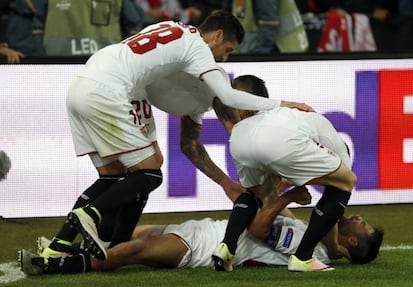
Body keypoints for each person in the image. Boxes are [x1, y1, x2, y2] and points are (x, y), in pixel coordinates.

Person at [44, 11, 313, 263]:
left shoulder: (176, 35)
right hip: (113, 89)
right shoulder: (203, 57)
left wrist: (225, 184)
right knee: (150, 174)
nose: (224, 59)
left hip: (88, 82)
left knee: (117, 176)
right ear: (217, 35)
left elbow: (189, 145)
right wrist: (283, 104)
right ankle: (90, 214)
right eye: (227, 50)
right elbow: (230, 102)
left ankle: (59, 246)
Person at [18, 184, 383, 275]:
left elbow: (257, 228)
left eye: (360, 224)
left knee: (132, 251)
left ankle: (54, 265)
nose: (354, 217)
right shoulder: (312, 239)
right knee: (125, 236)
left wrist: (286, 195)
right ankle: (64, 250)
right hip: (209, 230)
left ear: (350, 241)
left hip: (203, 248)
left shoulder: (312, 249)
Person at [211, 74, 358, 272]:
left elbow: (271, 189)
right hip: (283, 139)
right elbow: (334, 190)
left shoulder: (274, 113)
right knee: (347, 181)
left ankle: (227, 246)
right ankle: (303, 258)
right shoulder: (341, 155)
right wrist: (333, 246)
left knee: (254, 194)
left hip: (239, 140)